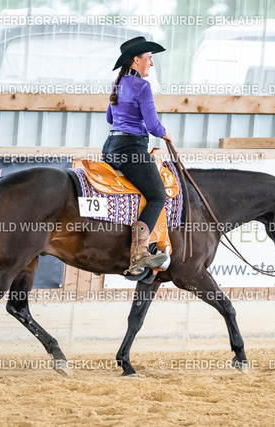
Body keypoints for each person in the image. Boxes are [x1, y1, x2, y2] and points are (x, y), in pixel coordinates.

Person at [102, 36, 173, 275]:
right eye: (149, 58)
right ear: (136, 60)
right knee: (158, 196)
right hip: (131, 149)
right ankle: (140, 252)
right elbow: (152, 126)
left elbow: (110, 118)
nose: (151, 63)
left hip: (110, 147)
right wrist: (165, 134)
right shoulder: (143, 86)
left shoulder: (118, 84)